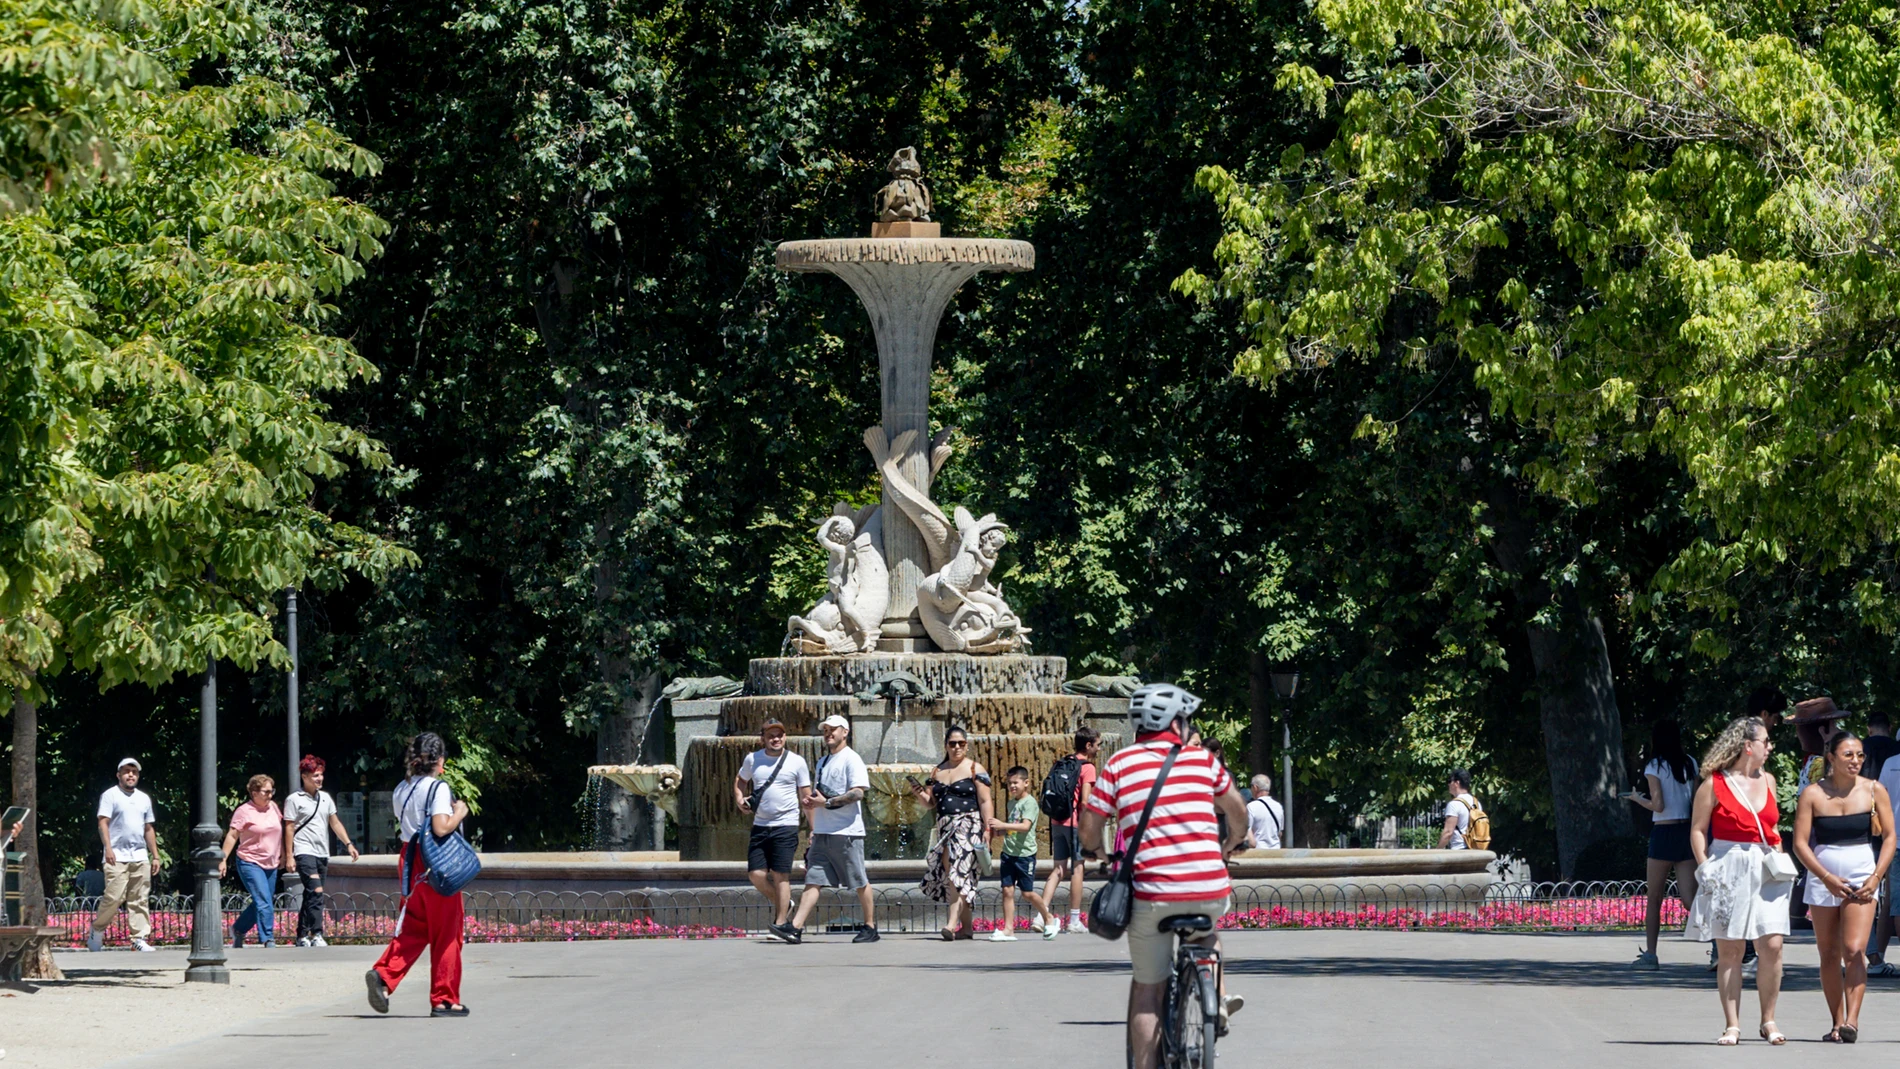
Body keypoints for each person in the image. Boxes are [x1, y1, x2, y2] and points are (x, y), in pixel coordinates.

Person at [1080, 683, 1248, 1069]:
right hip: (1206, 886)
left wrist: (1099, 852)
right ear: (1176, 721)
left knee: (1148, 988)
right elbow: (1237, 811)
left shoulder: (1120, 764)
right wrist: (1230, 844)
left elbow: (1090, 825)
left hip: (1151, 892)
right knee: (1206, 932)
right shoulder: (1203, 761)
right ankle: (1212, 992)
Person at [1685, 716, 1791, 1045]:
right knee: (1730, 948)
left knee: (1772, 945)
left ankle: (1768, 1020)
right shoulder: (1713, 784)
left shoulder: (1770, 781)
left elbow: (1772, 831)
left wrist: (1779, 860)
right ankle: (1732, 1024)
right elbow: (1698, 830)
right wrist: (1705, 868)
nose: (1770, 747)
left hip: (1765, 865)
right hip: (1728, 864)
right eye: (1765, 742)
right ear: (1748, 747)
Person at [1791, 731, 1896, 1042]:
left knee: (1854, 950)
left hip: (1863, 874)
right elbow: (1799, 843)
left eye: (1860, 755)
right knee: (1827, 952)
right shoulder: (1812, 794)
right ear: (1831, 757)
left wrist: (1876, 877)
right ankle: (1836, 1022)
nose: (1856, 760)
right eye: (1849, 754)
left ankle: (1852, 1021)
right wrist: (1824, 877)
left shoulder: (1874, 790)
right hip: (1823, 876)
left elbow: (1890, 837)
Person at [366, 732, 471, 1017]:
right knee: (447, 931)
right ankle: (445, 999)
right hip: (434, 861)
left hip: (409, 859)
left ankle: (384, 976)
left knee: (416, 926)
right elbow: (440, 827)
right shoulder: (437, 787)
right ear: (439, 761)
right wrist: (460, 811)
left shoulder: (403, 787)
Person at [779, 714, 877, 944]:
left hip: (847, 832)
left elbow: (858, 793)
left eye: (833, 729)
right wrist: (812, 802)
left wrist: (827, 803)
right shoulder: (823, 762)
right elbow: (822, 795)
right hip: (823, 831)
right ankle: (795, 928)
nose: (828, 733)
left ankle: (871, 927)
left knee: (859, 881)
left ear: (845, 732)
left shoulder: (852, 759)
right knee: (813, 880)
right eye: (825, 730)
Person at [1624, 721, 1699, 970]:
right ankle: (1721, 946)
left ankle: (1651, 955)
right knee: (1690, 899)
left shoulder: (1654, 765)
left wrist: (1637, 799)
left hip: (1664, 831)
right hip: (1687, 830)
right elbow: (1695, 800)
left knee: (1654, 897)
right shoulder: (1690, 762)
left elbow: (1658, 805)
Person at [912, 724, 994, 940]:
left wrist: (988, 829)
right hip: (945, 827)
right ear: (946, 746)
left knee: (959, 871)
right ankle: (967, 929)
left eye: (961, 743)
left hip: (969, 824)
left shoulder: (976, 768)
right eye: (952, 743)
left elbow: (985, 800)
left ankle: (950, 924)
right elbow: (931, 803)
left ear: (966, 746)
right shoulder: (937, 771)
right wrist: (919, 794)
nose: (957, 747)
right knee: (956, 875)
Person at [734, 718, 812, 934]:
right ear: (763, 739)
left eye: (779, 735)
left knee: (780, 875)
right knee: (756, 874)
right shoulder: (753, 759)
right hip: (760, 824)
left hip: (786, 825)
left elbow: (806, 796)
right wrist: (739, 800)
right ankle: (785, 904)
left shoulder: (797, 761)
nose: (776, 739)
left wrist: (814, 827)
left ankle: (779, 924)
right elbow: (740, 780)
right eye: (771, 736)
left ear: (785, 737)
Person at [282, 754, 361, 947]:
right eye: (315, 775)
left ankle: (301, 935)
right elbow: (289, 828)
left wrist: (349, 844)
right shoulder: (294, 799)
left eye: (321, 775)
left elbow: (334, 823)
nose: (319, 779)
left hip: (322, 852)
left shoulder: (325, 798)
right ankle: (317, 933)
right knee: (316, 891)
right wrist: (290, 856)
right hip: (303, 851)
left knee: (312, 894)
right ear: (305, 776)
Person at [89, 758, 160, 952]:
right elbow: (102, 822)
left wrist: (155, 855)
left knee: (140, 898)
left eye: (134, 772)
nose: (131, 775)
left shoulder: (144, 798)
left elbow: (148, 828)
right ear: (118, 775)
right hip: (116, 855)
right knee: (114, 896)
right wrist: (108, 849)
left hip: (139, 855)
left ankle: (139, 937)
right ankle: (97, 929)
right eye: (127, 771)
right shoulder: (110, 795)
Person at [1041, 726, 1100, 934]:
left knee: (1058, 869)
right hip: (1075, 824)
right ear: (1088, 745)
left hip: (1057, 822)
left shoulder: (1063, 762)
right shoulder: (1088, 767)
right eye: (1097, 745)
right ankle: (1074, 920)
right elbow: (1084, 801)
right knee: (1077, 869)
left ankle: (1041, 915)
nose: (1099, 749)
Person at [990, 765, 1058, 941]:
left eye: (1015, 783)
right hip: (1008, 853)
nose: (1012, 786)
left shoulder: (1030, 803)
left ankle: (1048, 917)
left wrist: (1003, 825)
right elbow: (1014, 827)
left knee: (1027, 893)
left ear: (1026, 783)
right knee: (1007, 890)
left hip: (1024, 855)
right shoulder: (1012, 802)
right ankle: (1008, 929)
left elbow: (1025, 826)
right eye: (1009, 783)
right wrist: (1001, 832)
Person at [218, 774, 284, 948]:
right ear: (254, 793)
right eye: (266, 792)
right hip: (250, 861)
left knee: (262, 901)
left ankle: (239, 929)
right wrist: (223, 859)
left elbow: (279, 832)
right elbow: (232, 835)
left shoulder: (274, 808)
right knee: (264, 901)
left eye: (272, 791)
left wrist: (284, 853)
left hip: (271, 862)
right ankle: (268, 939)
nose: (270, 795)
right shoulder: (244, 811)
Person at [1436, 770, 1480, 849]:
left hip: (1460, 849)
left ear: (1457, 783)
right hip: (1475, 848)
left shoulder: (1454, 804)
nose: (1448, 784)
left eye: (1450, 781)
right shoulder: (1476, 802)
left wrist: (1437, 850)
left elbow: (1448, 832)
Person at [1246, 774, 1283, 850]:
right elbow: (1279, 834)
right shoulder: (1278, 806)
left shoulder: (1251, 807)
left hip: (1259, 854)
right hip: (1276, 853)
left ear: (1255, 787)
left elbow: (1251, 842)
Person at [1862, 712, 1900, 781]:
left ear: (1869, 729)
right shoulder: (1898, 748)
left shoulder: (1859, 748)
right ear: (1890, 728)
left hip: (1864, 790)